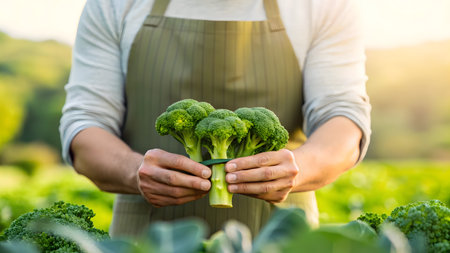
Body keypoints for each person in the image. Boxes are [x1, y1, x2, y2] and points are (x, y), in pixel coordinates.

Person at [60, 0, 371, 237]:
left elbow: (343, 117)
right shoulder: (114, 4)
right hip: (146, 240)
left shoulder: (323, 5)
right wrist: (133, 171)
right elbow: (85, 124)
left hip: (282, 238)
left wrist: (301, 168)